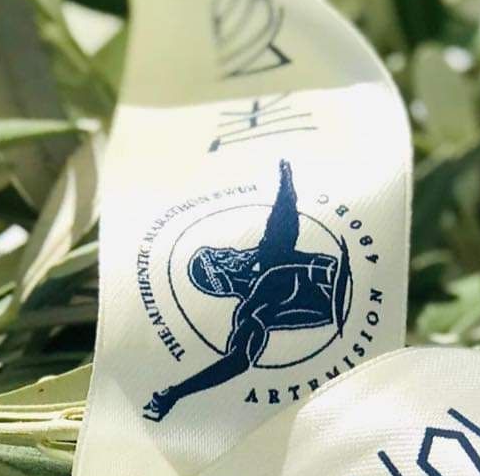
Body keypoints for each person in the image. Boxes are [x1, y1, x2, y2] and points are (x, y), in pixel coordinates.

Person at [142, 159, 346, 423]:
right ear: (222, 275)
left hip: (350, 272)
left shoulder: (270, 253)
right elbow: (237, 362)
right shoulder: (252, 310)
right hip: (339, 302)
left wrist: (286, 178)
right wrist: (176, 393)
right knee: (272, 277)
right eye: (221, 257)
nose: (230, 251)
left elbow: (284, 216)